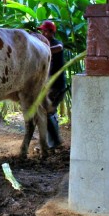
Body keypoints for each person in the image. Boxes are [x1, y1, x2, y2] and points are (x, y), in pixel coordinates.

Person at [39, 19, 66, 149]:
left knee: (46, 111)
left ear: (51, 32)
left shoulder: (56, 44)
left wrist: (41, 48)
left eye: (44, 31)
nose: (43, 34)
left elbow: (59, 48)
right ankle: (52, 141)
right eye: (42, 31)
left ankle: (54, 142)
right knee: (48, 112)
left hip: (57, 86)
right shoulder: (44, 45)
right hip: (49, 86)